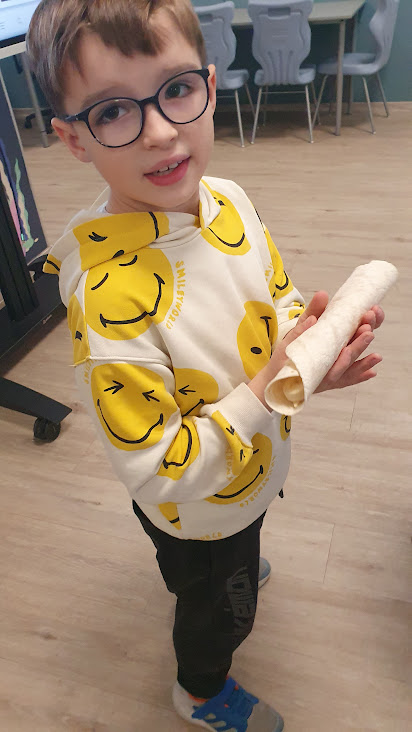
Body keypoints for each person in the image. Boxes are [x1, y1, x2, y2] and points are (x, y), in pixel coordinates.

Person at [26, 2, 384, 729]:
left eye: (176, 90)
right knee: (219, 609)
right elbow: (158, 467)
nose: (161, 130)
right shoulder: (110, 303)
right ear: (72, 139)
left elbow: (276, 294)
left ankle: (226, 560)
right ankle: (199, 689)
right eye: (113, 111)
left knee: (227, 554)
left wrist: (311, 357)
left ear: (211, 88)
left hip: (243, 472)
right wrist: (265, 393)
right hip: (197, 508)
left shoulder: (228, 200)